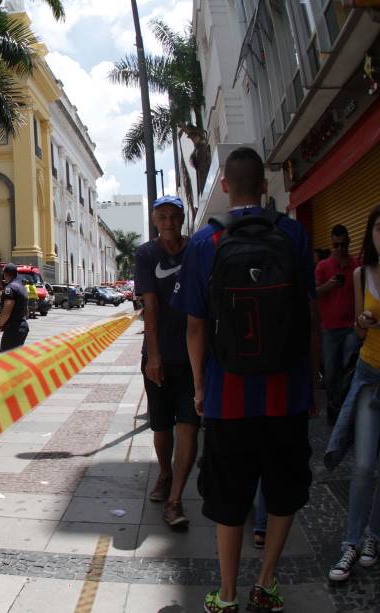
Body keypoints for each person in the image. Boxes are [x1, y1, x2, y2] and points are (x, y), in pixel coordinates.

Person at [171, 147, 318, 613]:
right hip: (287, 391)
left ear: (225, 187)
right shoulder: (293, 234)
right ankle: (267, 583)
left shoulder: (203, 244)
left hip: (227, 397)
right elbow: (309, 315)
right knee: (283, 489)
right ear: (267, 186)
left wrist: (199, 387)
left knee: (228, 496)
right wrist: (313, 383)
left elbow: (194, 327)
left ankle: (228, 594)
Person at [134, 195, 200, 528]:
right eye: (163, 217)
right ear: (154, 220)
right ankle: (164, 472)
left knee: (189, 424)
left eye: (175, 216)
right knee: (162, 427)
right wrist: (154, 355)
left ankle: (175, 500)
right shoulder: (146, 254)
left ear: (183, 218)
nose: (169, 223)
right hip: (159, 355)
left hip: (194, 357)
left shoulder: (197, 249)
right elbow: (150, 306)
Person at [325, 204, 380, 582]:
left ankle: (373, 536)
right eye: (378, 228)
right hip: (369, 375)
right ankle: (351, 542)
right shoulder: (363, 274)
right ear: (371, 234)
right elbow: (360, 331)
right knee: (362, 466)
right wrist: (362, 323)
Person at [315, 224, 361, 422]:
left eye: (343, 244)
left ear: (349, 242)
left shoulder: (357, 266)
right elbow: (314, 292)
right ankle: (335, 406)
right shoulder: (323, 267)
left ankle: (347, 408)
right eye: (336, 245)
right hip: (330, 329)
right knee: (332, 372)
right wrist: (330, 284)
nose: (340, 248)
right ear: (332, 244)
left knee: (347, 367)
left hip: (351, 327)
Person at [0, 263, 28, 352]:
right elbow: (26, 310)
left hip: (13, 329)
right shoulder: (22, 287)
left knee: (5, 359)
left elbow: (7, 309)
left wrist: (0, 324)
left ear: (5, 274)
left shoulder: (10, 288)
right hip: (22, 326)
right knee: (15, 359)